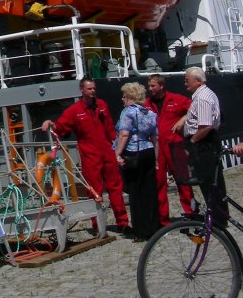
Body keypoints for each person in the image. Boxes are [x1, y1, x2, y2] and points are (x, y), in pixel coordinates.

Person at [41, 76, 130, 233]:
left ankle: (122, 222)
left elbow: (110, 128)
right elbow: (61, 127)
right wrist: (50, 123)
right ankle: (97, 225)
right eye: (89, 89)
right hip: (90, 155)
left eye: (94, 88)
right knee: (93, 190)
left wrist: (116, 150)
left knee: (115, 187)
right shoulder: (74, 111)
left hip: (107, 152)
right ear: (82, 90)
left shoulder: (101, 105)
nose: (93, 91)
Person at [174, 66, 228, 226]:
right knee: (210, 182)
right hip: (204, 141)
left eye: (187, 80)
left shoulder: (203, 97)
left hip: (204, 143)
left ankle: (218, 220)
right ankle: (217, 216)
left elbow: (205, 126)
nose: (185, 84)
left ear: (197, 81)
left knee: (210, 182)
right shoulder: (202, 95)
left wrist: (190, 143)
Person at [144, 74, 196, 225]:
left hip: (175, 145)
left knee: (183, 180)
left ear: (161, 86)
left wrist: (183, 119)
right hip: (157, 148)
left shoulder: (176, 99)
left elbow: (194, 107)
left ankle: (190, 212)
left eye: (153, 86)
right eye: (149, 86)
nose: (150, 89)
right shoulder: (147, 104)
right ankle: (163, 218)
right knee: (159, 182)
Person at [114, 82, 160, 241]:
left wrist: (117, 154)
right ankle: (154, 227)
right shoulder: (150, 113)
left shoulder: (128, 112)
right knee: (150, 191)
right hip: (148, 151)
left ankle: (141, 231)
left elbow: (124, 135)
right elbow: (155, 138)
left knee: (136, 192)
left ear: (131, 98)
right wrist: (156, 158)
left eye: (124, 96)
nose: (122, 99)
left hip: (134, 153)